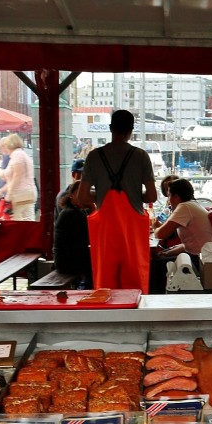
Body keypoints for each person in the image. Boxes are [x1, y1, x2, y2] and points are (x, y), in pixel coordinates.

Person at [73, 109, 158, 291]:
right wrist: (134, 195)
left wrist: (102, 195)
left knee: (106, 282)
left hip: (106, 228)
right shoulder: (141, 156)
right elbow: (152, 196)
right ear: (131, 129)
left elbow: (82, 196)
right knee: (134, 283)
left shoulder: (94, 156)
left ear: (111, 128)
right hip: (132, 228)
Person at [153, 178, 212, 293]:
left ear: (176, 197)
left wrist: (154, 225)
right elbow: (189, 245)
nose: (169, 201)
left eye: (169, 196)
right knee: (160, 257)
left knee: (155, 265)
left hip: (203, 262)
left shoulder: (184, 207)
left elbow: (160, 234)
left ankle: (156, 301)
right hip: (208, 257)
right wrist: (166, 253)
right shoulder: (193, 205)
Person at [53, 180, 93, 289]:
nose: (83, 196)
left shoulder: (78, 211)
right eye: (79, 193)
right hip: (67, 262)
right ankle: (88, 290)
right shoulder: (71, 213)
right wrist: (93, 207)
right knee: (97, 262)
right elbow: (91, 236)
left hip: (70, 257)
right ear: (71, 196)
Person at [0, 133, 37, 221]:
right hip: (28, 195)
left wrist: (8, 195)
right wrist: (1, 192)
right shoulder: (23, 155)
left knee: (17, 225)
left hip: (20, 196)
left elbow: (17, 177)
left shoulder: (17, 155)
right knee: (29, 224)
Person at [54, 158, 85, 228]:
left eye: (86, 174)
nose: (84, 177)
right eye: (81, 173)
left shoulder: (85, 194)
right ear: (74, 174)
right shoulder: (64, 195)